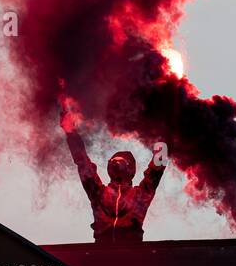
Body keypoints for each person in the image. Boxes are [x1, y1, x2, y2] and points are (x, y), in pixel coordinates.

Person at [60, 95, 166, 244]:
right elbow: (82, 162)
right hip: (101, 253)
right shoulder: (98, 193)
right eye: (113, 161)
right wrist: (70, 132)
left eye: (121, 161)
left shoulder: (140, 195)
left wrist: (164, 138)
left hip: (133, 254)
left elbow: (156, 170)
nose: (116, 164)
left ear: (130, 169)